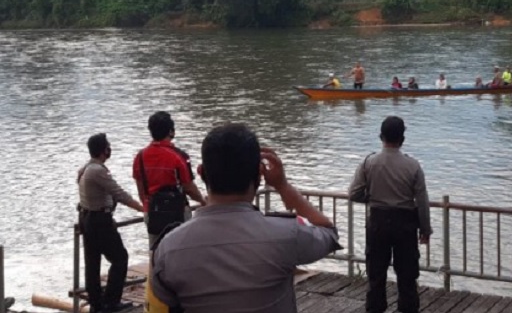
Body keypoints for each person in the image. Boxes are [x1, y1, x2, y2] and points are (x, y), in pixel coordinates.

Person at [150, 123, 340, 313]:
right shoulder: (287, 235)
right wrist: (282, 186)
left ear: (201, 172)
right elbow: (329, 233)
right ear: (259, 175)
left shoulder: (168, 248)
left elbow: (163, 303)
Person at [349, 116, 432, 313]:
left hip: (377, 221)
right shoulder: (413, 166)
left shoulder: (369, 163)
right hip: (405, 224)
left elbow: (354, 194)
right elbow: (422, 202)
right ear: (402, 138)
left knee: (376, 274)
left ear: (381, 136)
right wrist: (425, 229)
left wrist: (372, 199)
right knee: (407, 275)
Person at [78, 133, 144, 313]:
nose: (110, 149)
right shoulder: (98, 171)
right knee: (120, 258)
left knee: (92, 263)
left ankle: (96, 304)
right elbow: (119, 193)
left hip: (87, 218)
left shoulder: (86, 168)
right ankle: (111, 302)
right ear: (103, 150)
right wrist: (141, 208)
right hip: (100, 220)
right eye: (108, 146)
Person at [134, 111, 206, 248]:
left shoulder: (140, 157)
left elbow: (141, 189)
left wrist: (147, 207)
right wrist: (202, 201)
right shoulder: (178, 156)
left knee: (155, 251)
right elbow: (189, 187)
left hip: (152, 211)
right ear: (171, 131)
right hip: (177, 212)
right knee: (181, 251)